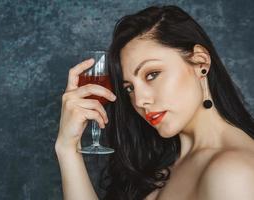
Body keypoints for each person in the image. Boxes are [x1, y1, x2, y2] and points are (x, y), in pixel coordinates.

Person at [55, 5, 254, 200]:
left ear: (201, 62)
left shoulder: (234, 174)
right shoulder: (166, 161)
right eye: (129, 88)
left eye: (152, 75)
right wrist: (67, 148)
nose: (140, 100)